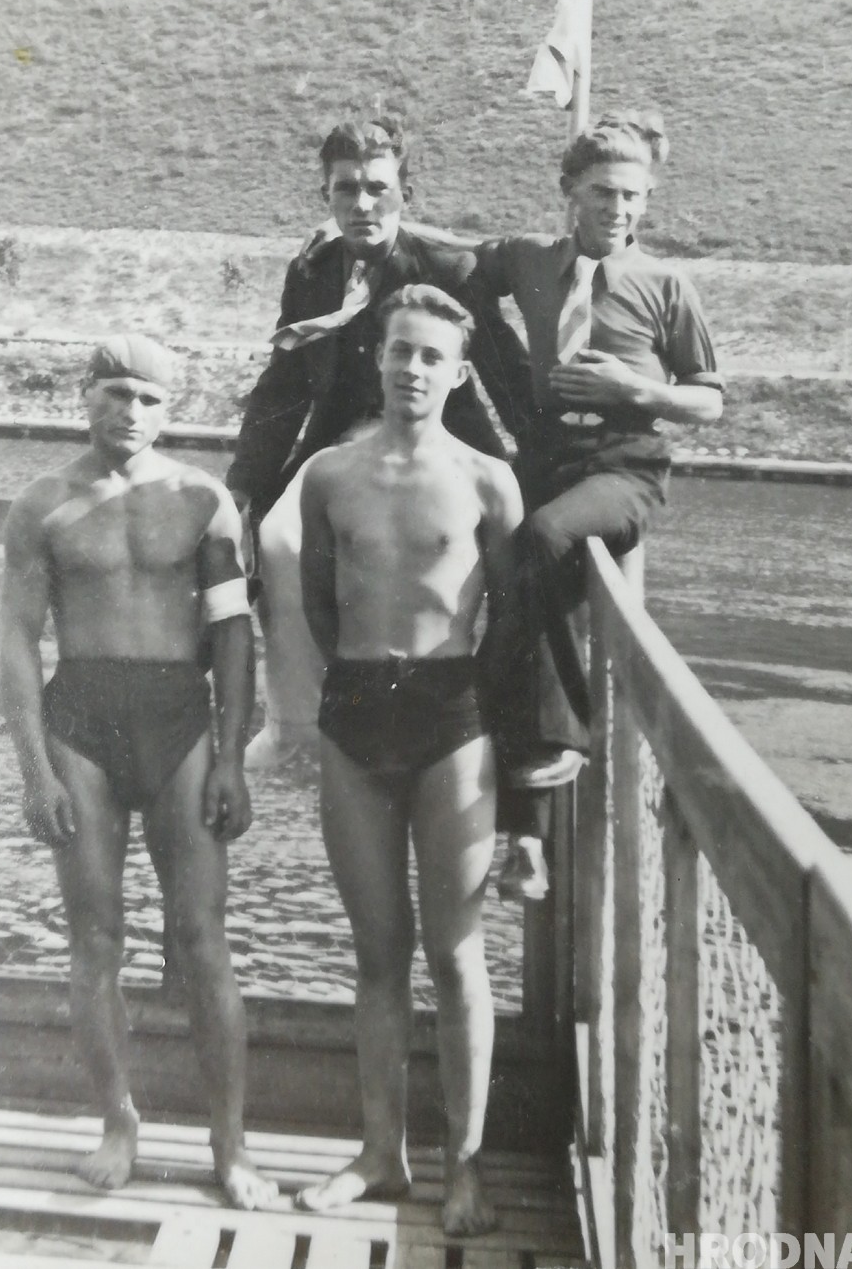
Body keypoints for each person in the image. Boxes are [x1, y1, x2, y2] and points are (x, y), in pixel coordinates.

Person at [0, 334, 277, 1209]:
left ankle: (229, 1147)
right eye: (115, 392)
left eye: (150, 399)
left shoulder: (203, 500)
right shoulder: (42, 504)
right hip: (79, 713)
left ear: (171, 409)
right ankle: (118, 1119)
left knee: (203, 938)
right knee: (96, 939)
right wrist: (34, 767)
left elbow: (233, 634)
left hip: (178, 717)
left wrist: (233, 754)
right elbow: (16, 638)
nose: (131, 411)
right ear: (84, 394)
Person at [296, 284, 525, 1238]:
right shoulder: (327, 475)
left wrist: (518, 773)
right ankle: (379, 1152)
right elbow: (316, 598)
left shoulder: (485, 479)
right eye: (400, 350)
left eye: (432, 355)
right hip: (355, 712)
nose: (413, 369)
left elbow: (512, 622)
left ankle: (462, 1166)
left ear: (458, 371)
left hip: (450, 716)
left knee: (455, 950)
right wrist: (356, 675)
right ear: (377, 356)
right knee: (377, 954)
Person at [226, 114, 530, 759]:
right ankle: (294, 721)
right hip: (339, 445)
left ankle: (472, 703)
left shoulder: (449, 267)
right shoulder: (312, 270)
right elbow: (283, 388)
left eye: (377, 188)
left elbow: (504, 372)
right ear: (327, 197)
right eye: (346, 190)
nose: (362, 204)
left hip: (440, 437)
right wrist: (245, 486)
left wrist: (541, 460)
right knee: (278, 538)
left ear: (404, 196)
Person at [471, 110, 724, 759]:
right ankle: (484, 734)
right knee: (494, 568)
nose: (617, 208)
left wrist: (637, 391)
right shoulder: (529, 260)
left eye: (630, 195)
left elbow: (708, 400)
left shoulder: (665, 284)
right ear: (569, 190)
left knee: (548, 532)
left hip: (625, 467)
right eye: (602, 192)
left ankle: (561, 735)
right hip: (545, 457)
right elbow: (455, 262)